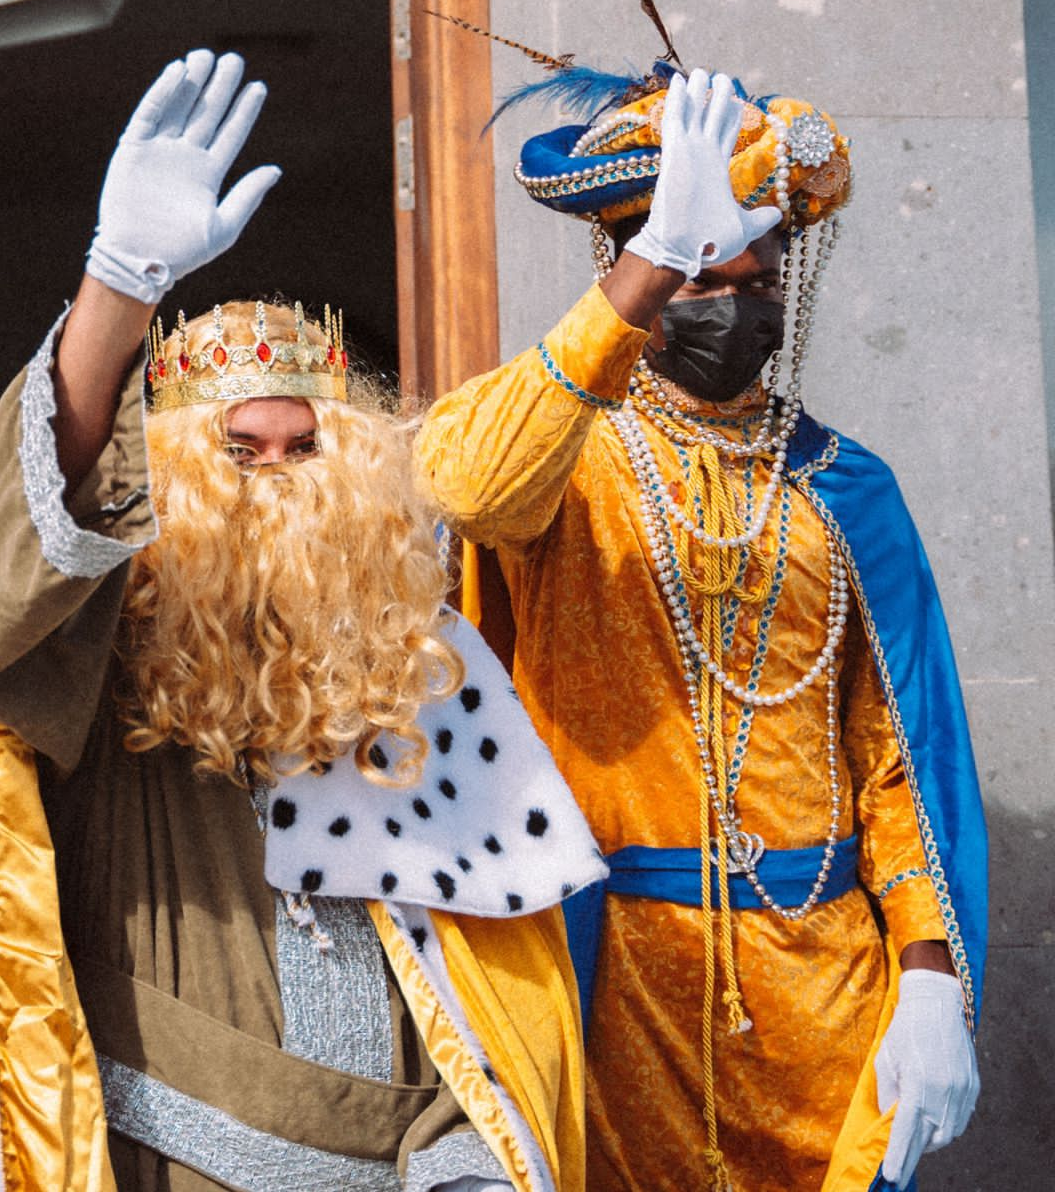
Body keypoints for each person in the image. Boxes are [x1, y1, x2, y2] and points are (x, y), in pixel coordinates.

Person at [0, 51, 601, 1192]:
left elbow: (480, 983)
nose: (273, 482)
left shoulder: (412, 664)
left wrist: (468, 1153)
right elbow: (35, 538)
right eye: (235, 453)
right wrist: (114, 291)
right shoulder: (96, 646)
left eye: (301, 450)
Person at [417, 64, 986, 1192]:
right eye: (697, 277)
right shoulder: (559, 461)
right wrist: (644, 273)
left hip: (824, 987)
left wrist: (928, 970)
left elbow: (894, 758)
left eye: (751, 277)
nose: (729, 306)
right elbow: (465, 488)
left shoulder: (842, 488)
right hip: (609, 978)